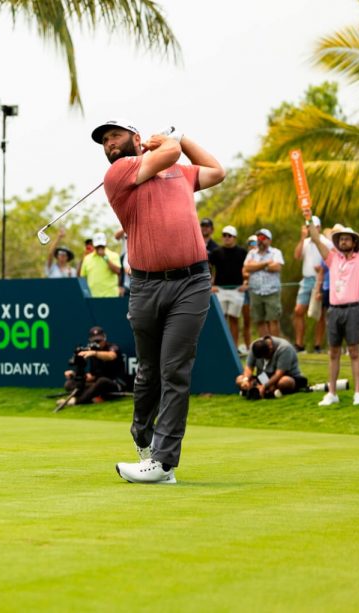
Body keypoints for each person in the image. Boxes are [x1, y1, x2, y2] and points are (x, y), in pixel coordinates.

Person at [91, 119, 225, 484]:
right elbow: (170, 152)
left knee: (174, 371)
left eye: (115, 136)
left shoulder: (178, 172)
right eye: (104, 141)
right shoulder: (119, 173)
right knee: (148, 372)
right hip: (146, 287)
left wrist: (182, 137)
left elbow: (216, 171)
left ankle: (163, 463)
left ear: (136, 138)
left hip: (192, 282)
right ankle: (142, 434)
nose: (109, 144)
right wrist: (170, 142)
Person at [307, 221, 359, 406]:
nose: (344, 242)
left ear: (354, 243)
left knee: (354, 351)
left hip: (353, 309)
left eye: (348, 239)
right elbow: (315, 238)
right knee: (333, 353)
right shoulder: (333, 258)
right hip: (334, 310)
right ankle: (332, 393)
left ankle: (358, 393)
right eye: (341, 239)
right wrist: (308, 219)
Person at [60, 326, 125, 407]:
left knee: (102, 381)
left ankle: (77, 401)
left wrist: (95, 353)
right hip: (97, 384)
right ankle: (93, 397)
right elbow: (92, 376)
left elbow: (112, 356)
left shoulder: (112, 347)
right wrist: (75, 375)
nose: (97, 343)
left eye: (99, 340)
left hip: (115, 384)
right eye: (95, 341)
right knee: (69, 384)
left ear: (104, 338)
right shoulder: (92, 352)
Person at [292, 216, 330, 353]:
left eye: (313, 226)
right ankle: (299, 344)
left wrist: (323, 269)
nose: (310, 229)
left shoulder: (326, 242)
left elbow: (332, 260)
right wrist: (302, 238)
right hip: (306, 279)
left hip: (321, 280)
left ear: (318, 228)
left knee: (319, 314)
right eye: (308, 226)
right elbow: (297, 256)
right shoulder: (306, 242)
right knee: (298, 310)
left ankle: (317, 345)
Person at [208, 225, 248, 352]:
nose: (226, 238)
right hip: (220, 290)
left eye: (229, 236)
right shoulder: (216, 252)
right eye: (224, 235)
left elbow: (247, 269)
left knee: (234, 319)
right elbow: (208, 267)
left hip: (237, 290)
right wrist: (211, 285)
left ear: (234, 237)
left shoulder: (242, 252)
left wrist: (246, 282)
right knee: (221, 319)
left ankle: (234, 348)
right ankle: (221, 347)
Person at [236, 336, 307, 399]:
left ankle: (265, 390)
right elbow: (249, 367)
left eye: (265, 357)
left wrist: (264, 386)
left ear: (270, 349)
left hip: (287, 376)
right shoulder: (254, 346)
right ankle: (268, 391)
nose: (264, 359)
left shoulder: (284, 348)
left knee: (284, 382)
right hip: (264, 377)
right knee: (239, 379)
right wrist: (246, 380)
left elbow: (279, 373)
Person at [243, 228, 284, 337]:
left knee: (273, 320)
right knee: (259, 320)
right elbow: (247, 267)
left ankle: (275, 346)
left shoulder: (276, 252)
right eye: (258, 238)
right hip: (256, 292)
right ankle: (265, 347)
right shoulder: (252, 253)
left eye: (263, 238)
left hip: (272, 291)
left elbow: (277, 267)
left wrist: (256, 266)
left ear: (269, 240)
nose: (260, 240)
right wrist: (266, 263)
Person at [79, 232, 121, 298]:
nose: (100, 247)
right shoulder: (87, 258)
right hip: (92, 297)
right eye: (98, 245)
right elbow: (82, 278)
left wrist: (105, 257)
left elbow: (118, 271)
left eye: (101, 245)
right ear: (93, 245)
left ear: (105, 243)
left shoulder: (114, 255)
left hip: (111, 296)